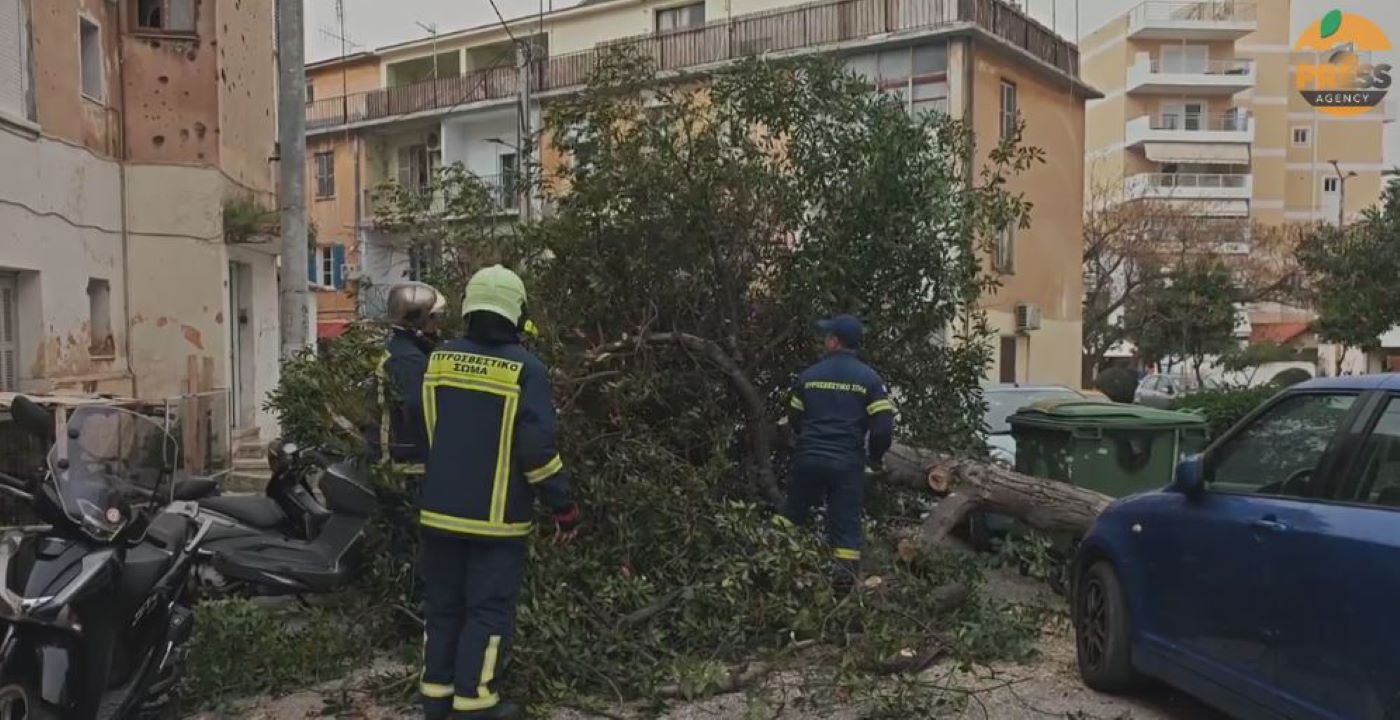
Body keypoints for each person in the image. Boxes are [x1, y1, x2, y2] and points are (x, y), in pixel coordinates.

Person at [417, 265, 580, 720]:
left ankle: (436, 699)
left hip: (439, 511)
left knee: (442, 608)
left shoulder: (439, 359)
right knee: (487, 612)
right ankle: (475, 703)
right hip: (496, 519)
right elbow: (537, 451)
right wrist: (563, 508)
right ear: (517, 312)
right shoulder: (527, 369)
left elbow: (428, 429)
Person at [778, 314, 895, 589]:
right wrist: (875, 459)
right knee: (845, 527)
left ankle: (772, 564)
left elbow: (794, 419)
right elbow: (882, 429)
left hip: (808, 459)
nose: (824, 341)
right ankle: (843, 588)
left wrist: (808, 439)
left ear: (834, 341)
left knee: (791, 515)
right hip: (846, 464)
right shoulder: (870, 379)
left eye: (827, 336)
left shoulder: (809, 376)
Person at [368, 283, 446, 477]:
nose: (437, 326)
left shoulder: (402, 349)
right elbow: (420, 410)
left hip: (403, 458)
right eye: (433, 318)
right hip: (407, 465)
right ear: (418, 321)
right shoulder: (408, 359)